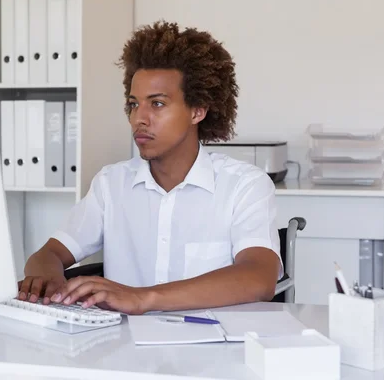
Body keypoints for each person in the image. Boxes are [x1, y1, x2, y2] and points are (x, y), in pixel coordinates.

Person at [18, 20, 282, 315]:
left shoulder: (244, 185)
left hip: (213, 352)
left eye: (157, 104)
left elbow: (259, 278)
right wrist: (49, 283)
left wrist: (142, 298)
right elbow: (48, 254)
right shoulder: (111, 183)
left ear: (198, 110)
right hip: (124, 350)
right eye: (133, 104)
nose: (139, 118)